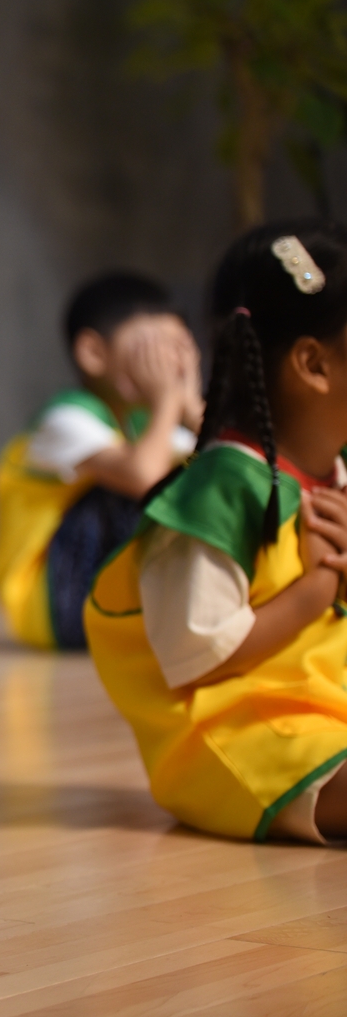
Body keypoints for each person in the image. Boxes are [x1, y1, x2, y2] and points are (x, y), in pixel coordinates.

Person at [86, 218, 347, 843]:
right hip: (244, 733)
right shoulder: (217, 491)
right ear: (313, 364)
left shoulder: (333, 469)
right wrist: (315, 592)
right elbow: (197, 655)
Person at [0, 273, 203, 650]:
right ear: (93, 353)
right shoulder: (65, 418)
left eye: (180, 349)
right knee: (149, 490)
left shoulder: (147, 425)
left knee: (209, 473)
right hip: (58, 603)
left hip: (97, 593)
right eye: (155, 349)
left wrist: (192, 409)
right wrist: (169, 400)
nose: (170, 365)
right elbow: (144, 477)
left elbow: (235, 459)